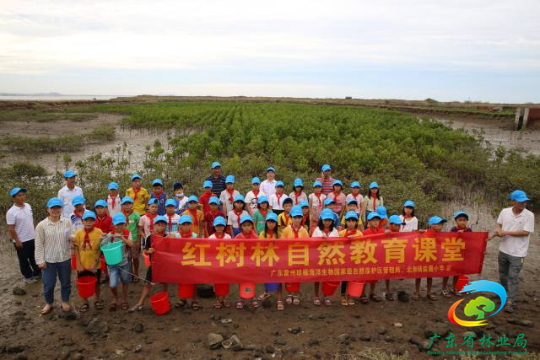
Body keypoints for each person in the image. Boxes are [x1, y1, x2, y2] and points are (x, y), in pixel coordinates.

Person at [490, 190, 535, 313]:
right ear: (513, 201)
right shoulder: (505, 212)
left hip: (518, 253)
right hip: (504, 250)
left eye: (525, 201)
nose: (523, 203)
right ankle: (503, 294)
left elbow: (525, 232)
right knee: (503, 274)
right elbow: (499, 225)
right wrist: (495, 233)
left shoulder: (529, 215)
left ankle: (511, 301)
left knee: (513, 276)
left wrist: (506, 232)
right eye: (520, 201)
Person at [35, 197, 73, 315]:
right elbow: (39, 244)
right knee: (49, 284)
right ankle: (49, 303)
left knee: (66, 282)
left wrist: (72, 239)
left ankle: (65, 301)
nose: (55, 210)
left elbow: (71, 236)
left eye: (58, 207)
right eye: (53, 208)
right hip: (49, 260)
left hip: (65, 258)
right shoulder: (41, 225)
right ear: (48, 209)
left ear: (61, 209)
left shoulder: (67, 221)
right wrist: (40, 260)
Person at [129, 215, 169, 313]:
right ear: (154, 225)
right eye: (159, 225)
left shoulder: (167, 237)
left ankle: (165, 299)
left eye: (163, 225)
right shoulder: (150, 237)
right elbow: (145, 251)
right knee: (148, 284)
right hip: (154, 265)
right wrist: (149, 251)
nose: (161, 227)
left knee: (164, 283)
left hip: (164, 265)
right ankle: (140, 303)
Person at [6, 187, 41, 283]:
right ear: (14, 198)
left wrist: (35, 233)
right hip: (21, 240)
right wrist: (17, 240)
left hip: (32, 237)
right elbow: (11, 228)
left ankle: (37, 273)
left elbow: (30, 221)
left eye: (23, 195)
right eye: (19, 195)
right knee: (23, 260)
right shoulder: (11, 212)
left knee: (34, 257)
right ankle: (28, 276)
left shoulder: (28, 206)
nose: (22, 197)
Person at [101, 213, 134, 311]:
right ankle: (115, 298)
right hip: (112, 263)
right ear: (113, 225)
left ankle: (124, 299)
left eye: (121, 224)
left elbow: (131, 245)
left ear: (124, 224)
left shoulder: (127, 233)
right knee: (112, 284)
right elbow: (102, 246)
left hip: (125, 262)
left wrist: (122, 237)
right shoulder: (110, 235)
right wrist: (104, 237)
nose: (119, 226)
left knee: (125, 281)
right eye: (117, 224)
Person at [73, 210, 104, 311]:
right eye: (86, 220)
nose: (88, 222)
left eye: (91, 220)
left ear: (94, 221)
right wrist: (78, 264)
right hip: (82, 263)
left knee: (97, 283)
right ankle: (85, 302)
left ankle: (97, 299)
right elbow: (76, 249)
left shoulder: (99, 232)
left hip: (95, 264)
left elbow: (101, 249)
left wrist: (95, 263)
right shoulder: (78, 233)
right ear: (82, 221)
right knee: (82, 283)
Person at [413, 216, 447, 302]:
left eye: (441, 224)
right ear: (432, 225)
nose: (441, 226)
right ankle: (417, 292)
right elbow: (414, 235)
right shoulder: (424, 232)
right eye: (438, 224)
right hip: (423, 256)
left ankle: (429, 292)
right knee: (419, 275)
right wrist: (418, 231)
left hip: (432, 257)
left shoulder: (442, 235)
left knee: (430, 276)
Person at [281, 206, 309, 307]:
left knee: (297, 275)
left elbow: (308, 244)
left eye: (299, 217)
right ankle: (289, 294)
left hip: (300, 256)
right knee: (289, 275)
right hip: (289, 256)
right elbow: (282, 244)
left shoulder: (304, 230)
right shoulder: (286, 230)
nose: (297, 219)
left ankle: (296, 294)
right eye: (295, 217)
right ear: (291, 218)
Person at [312, 209, 340, 306]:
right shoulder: (317, 230)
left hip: (330, 258)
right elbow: (312, 243)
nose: (327, 222)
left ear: (332, 221)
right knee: (317, 277)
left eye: (329, 220)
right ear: (321, 220)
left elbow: (338, 244)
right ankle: (316, 296)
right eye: (325, 220)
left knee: (327, 277)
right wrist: (320, 240)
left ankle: (325, 296)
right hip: (319, 257)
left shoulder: (335, 231)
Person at [442, 211, 472, 298]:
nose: (462, 222)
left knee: (457, 272)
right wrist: (457, 234)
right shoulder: (453, 229)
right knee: (447, 271)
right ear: (456, 221)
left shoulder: (469, 230)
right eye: (460, 220)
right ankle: (444, 288)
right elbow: (449, 240)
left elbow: (472, 241)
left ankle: (454, 288)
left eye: (464, 220)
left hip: (461, 255)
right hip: (452, 253)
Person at [358, 212, 385, 304]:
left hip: (377, 257)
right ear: (369, 222)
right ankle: (363, 294)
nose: (375, 222)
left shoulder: (382, 231)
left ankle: (372, 293)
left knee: (374, 276)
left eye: (377, 220)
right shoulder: (364, 233)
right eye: (373, 220)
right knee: (365, 276)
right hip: (367, 257)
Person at [234, 215, 259, 309]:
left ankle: (252, 298)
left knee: (252, 281)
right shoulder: (238, 237)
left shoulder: (255, 237)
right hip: (242, 263)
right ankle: (242, 299)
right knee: (242, 280)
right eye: (244, 225)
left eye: (249, 225)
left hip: (252, 264)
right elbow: (234, 250)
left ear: (252, 226)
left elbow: (259, 250)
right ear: (241, 226)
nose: (247, 227)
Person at [339, 211, 363, 306]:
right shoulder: (341, 233)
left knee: (352, 277)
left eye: (353, 221)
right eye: (349, 221)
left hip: (354, 259)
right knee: (344, 278)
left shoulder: (359, 234)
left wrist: (356, 239)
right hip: (344, 258)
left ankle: (350, 295)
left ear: (356, 222)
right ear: (346, 222)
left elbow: (362, 246)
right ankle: (342, 295)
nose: (351, 223)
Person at [175, 215, 199, 309]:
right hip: (180, 262)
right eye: (184, 224)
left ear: (191, 225)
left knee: (193, 281)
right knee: (181, 281)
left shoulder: (194, 236)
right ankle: (182, 299)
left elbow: (198, 249)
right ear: (180, 226)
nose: (186, 226)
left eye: (188, 224)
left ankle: (194, 299)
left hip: (192, 261)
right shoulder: (176, 236)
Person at [208, 217, 231, 309]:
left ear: (224, 227)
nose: (219, 228)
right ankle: (218, 299)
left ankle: (225, 298)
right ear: (214, 226)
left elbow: (231, 250)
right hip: (215, 263)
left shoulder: (228, 237)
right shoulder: (211, 238)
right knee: (216, 282)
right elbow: (208, 251)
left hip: (226, 263)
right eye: (217, 226)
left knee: (226, 281)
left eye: (221, 226)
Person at [120, 196, 140, 283]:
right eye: (125, 204)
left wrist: (139, 241)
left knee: (135, 258)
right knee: (127, 258)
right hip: (124, 240)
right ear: (122, 205)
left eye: (129, 204)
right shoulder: (120, 215)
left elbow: (139, 228)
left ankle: (136, 273)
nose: (127, 206)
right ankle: (130, 274)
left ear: (132, 205)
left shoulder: (136, 214)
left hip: (134, 239)